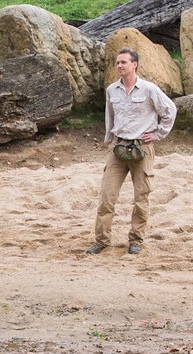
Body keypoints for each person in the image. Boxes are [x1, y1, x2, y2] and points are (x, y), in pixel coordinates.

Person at [86, 47, 177, 255]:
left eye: (123, 62)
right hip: (118, 148)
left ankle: (136, 240)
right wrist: (109, 139)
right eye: (117, 62)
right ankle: (101, 240)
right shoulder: (112, 90)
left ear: (134, 64)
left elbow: (170, 110)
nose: (119, 66)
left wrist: (157, 134)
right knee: (107, 196)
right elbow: (110, 116)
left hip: (141, 148)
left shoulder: (149, 89)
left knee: (141, 197)